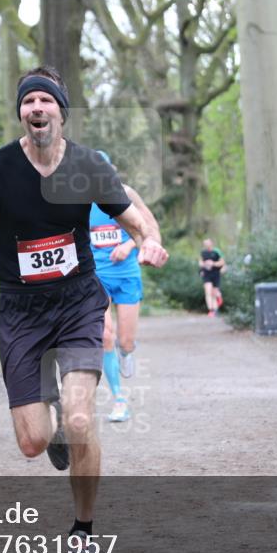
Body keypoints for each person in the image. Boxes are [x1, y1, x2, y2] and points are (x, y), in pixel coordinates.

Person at [0, 66, 168, 553]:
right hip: (21, 313)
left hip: (78, 302)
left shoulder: (87, 166)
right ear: (21, 113)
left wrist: (149, 238)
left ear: (60, 111)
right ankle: (50, 422)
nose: (37, 108)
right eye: (29, 101)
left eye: (46, 101)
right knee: (34, 442)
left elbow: (132, 215)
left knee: (81, 420)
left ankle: (83, 534)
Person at [89, 151, 161, 422]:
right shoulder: (79, 201)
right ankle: (119, 399)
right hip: (96, 277)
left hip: (127, 274)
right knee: (105, 335)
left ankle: (127, 350)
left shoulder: (126, 194)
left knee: (124, 341)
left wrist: (130, 245)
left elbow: (148, 228)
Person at [199, 238, 225, 317]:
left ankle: (216, 307)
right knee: (208, 291)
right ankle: (211, 310)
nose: (206, 244)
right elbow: (200, 263)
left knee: (213, 293)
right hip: (207, 274)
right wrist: (203, 266)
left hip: (215, 274)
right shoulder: (203, 253)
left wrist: (213, 263)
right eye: (205, 243)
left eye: (207, 243)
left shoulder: (217, 251)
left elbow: (222, 262)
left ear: (211, 243)